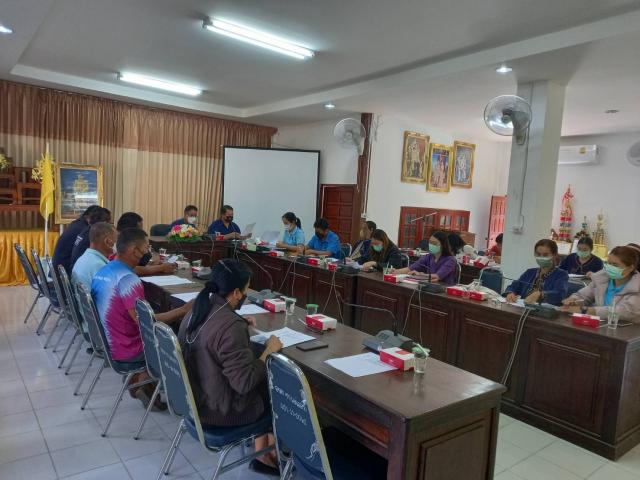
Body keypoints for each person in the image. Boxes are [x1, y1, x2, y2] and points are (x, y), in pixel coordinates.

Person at [178, 260, 283, 475]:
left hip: (193, 401)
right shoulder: (230, 326)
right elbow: (244, 383)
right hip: (219, 412)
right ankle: (265, 454)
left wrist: (237, 321)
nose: (246, 294)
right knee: (277, 389)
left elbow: (213, 332)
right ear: (236, 292)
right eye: (246, 289)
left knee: (260, 375)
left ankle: (263, 451)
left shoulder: (197, 309)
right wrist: (268, 351)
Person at [92, 228, 193, 409]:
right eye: (146, 247)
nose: (148, 252)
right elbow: (147, 323)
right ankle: (171, 394)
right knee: (185, 341)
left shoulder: (105, 270)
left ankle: (143, 380)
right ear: (134, 251)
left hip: (109, 341)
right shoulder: (128, 280)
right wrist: (183, 310)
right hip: (127, 349)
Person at [561, 246, 640, 321]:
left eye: (615, 265)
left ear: (630, 268)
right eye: (609, 263)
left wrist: (587, 310)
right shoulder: (601, 279)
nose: (610, 267)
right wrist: (573, 300)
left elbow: (624, 311)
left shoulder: (637, 287)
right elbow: (583, 295)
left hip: (626, 329)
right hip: (599, 325)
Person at [504, 239, 569, 306]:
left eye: (545, 255)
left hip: (544, 311)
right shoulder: (529, 272)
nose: (541, 257)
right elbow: (513, 286)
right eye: (538, 254)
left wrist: (541, 294)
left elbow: (560, 294)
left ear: (554, 255)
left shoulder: (561, 275)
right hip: (524, 308)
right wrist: (510, 293)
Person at [392, 231, 457, 285]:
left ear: (443, 245)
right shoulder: (428, 257)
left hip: (444, 289)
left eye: (434, 243)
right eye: (430, 242)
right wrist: (394, 271)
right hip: (429, 286)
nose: (431, 245)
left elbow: (437, 276)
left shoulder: (450, 260)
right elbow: (410, 268)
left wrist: (420, 274)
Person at [53, 205, 101, 275]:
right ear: (89, 217)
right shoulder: (84, 229)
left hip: (59, 268)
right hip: (64, 270)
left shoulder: (77, 223)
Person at [71, 222, 117, 291]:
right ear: (107, 242)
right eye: (115, 240)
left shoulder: (84, 258)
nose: (117, 244)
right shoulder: (99, 266)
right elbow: (111, 293)